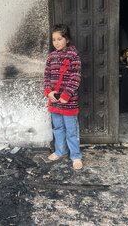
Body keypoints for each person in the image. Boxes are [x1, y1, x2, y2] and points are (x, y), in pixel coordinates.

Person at [44, 24, 82, 170]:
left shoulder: (73, 55)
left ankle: (76, 156)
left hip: (68, 101)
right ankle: (60, 151)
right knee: (58, 127)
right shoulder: (51, 57)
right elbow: (47, 76)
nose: (56, 42)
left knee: (71, 130)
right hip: (54, 101)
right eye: (54, 40)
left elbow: (75, 77)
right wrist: (49, 92)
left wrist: (66, 95)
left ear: (67, 39)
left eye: (59, 39)